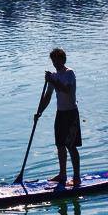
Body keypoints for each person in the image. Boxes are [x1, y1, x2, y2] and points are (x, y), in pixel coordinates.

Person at [36, 47, 81, 185]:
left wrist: (52, 80)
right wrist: (39, 112)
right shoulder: (54, 76)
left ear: (63, 60)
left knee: (71, 146)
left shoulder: (69, 73)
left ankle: (77, 177)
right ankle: (62, 175)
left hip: (71, 114)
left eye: (57, 60)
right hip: (60, 114)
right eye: (53, 61)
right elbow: (47, 96)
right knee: (60, 145)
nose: (55, 63)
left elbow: (66, 90)